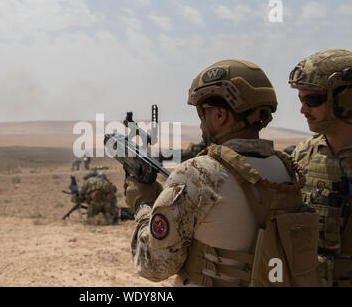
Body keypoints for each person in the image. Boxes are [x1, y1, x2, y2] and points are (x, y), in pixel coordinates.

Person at [124, 59, 319, 287]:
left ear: (219, 115)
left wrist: (143, 205)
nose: (200, 125)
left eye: (202, 114)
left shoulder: (198, 173)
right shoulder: (287, 170)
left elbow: (154, 266)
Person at [289, 49, 352, 287]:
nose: (303, 110)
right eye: (301, 100)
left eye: (313, 100)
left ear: (346, 98)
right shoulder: (303, 154)